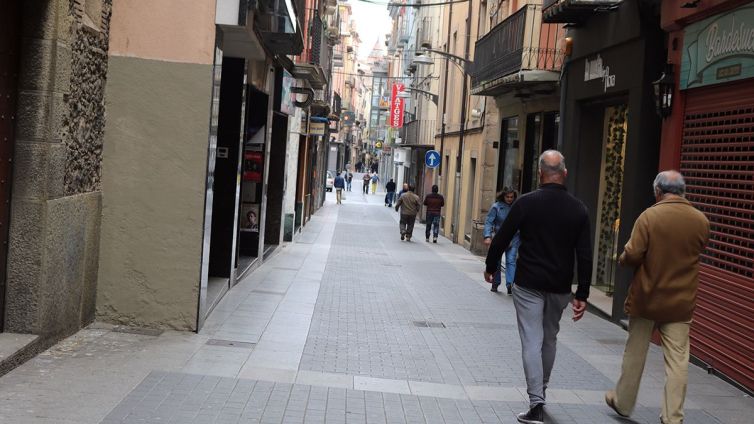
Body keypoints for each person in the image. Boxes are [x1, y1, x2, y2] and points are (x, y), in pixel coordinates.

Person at [484, 150, 591, 424]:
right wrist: (582, 294)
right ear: (564, 173)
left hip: (529, 282)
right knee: (549, 338)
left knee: (532, 340)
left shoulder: (526, 203)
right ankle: (540, 393)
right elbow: (585, 254)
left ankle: (536, 402)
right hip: (559, 285)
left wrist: (491, 266)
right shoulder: (579, 208)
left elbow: (502, 238)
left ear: (540, 173)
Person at [604, 171, 709, 424]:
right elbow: (699, 249)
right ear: (682, 191)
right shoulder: (700, 220)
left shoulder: (650, 216)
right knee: (678, 361)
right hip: (681, 302)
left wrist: (622, 259)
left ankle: (623, 402)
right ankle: (673, 416)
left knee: (635, 353)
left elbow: (633, 253)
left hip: (647, 298)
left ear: (659, 191)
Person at [484, 188, 520, 294]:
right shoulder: (496, 207)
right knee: (497, 261)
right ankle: (495, 283)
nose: (509, 199)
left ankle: (510, 284)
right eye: (507, 197)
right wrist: (487, 236)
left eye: (511, 197)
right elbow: (489, 222)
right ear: (503, 196)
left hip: (514, 238)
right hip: (500, 237)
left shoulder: (517, 207)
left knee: (511, 260)